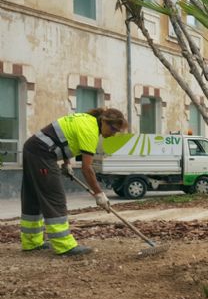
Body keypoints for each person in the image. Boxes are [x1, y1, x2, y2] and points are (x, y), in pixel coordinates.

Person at [20, 108, 127, 256]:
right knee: (54, 198)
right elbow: (87, 168)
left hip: (32, 148)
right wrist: (99, 194)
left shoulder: (85, 119)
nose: (114, 134)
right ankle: (64, 246)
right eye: (114, 129)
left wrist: (66, 164)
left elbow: (63, 139)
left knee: (33, 196)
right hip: (42, 153)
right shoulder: (90, 131)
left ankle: (31, 241)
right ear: (104, 122)